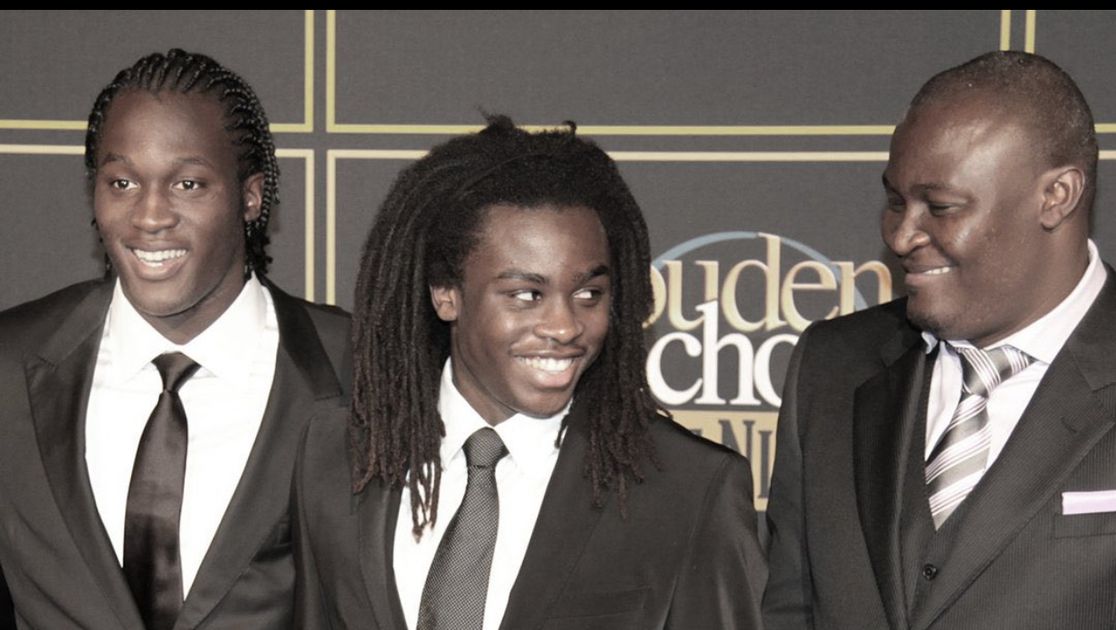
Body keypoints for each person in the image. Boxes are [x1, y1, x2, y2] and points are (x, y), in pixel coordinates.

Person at [293, 116, 766, 629]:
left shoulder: (688, 487)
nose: (564, 326)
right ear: (446, 294)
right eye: (526, 295)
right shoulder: (336, 454)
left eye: (588, 294)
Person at [763, 50, 1116, 630]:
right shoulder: (832, 366)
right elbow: (787, 609)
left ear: (1057, 196)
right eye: (896, 202)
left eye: (941, 207)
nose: (902, 236)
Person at [0, 49, 350, 629]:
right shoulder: (10, 368)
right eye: (122, 182)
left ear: (250, 197)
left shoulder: (359, 371)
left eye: (188, 184)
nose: (150, 215)